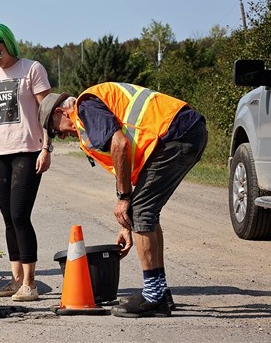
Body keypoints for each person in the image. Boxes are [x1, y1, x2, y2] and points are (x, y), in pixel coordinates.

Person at [39, 82, 207, 317]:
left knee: (142, 211)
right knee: (144, 211)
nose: (62, 136)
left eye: (55, 130)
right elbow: (122, 166)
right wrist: (126, 219)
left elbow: (119, 144)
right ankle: (159, 292)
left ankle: (153, 297)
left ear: (60, 112)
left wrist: (125, 199)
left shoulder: (86, 107)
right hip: (183, 131)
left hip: (175, 134)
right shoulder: (89, 113)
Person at [0, 22, 53, 302]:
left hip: (27, 151)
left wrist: (47, 148)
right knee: (8, 219)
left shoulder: (32, 69)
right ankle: (16, 279)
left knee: (20, 215)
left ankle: (29, 284)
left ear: (8, 44)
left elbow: (47, 111)